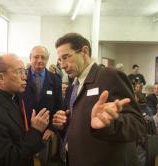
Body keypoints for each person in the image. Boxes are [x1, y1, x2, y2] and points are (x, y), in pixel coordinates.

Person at [52, 33, 146, 166]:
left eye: (66, 57)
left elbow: (138, 125)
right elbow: (76, 124)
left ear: (84, 51)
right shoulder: (72, 87)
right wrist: (62, 124)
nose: (62, 65)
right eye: (60, 60)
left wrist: (110, 124)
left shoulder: (110, 76)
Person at [0, 54, 49, 166]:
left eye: (24, 72)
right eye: (19, 72)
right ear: (1, 78)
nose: (25, 77)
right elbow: (7, 160)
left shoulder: (12, 97)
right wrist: (35, 131)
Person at [22, 46, 62, 141]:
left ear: (47, 59)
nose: (39, 60)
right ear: (30, 58)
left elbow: (59, 106)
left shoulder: (55, 79)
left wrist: (52, 128)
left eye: (43, 57)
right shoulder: (21, 77)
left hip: (46, 133)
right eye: (36, 57)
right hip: (24, 129)